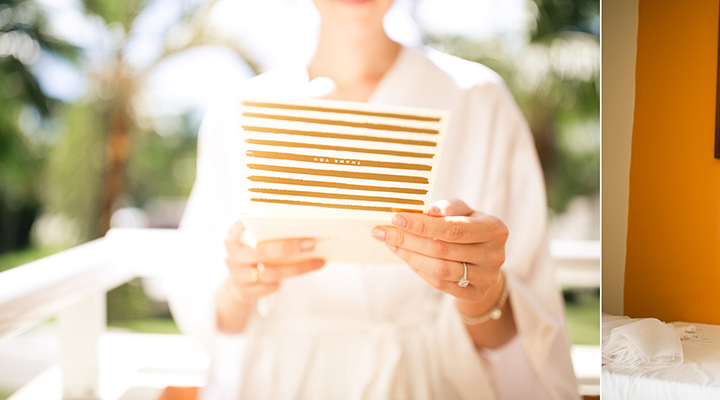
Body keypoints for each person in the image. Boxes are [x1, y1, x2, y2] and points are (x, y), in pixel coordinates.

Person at [164, 0, 578, 399]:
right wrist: (241, 283)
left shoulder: (478, 99)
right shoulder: (238, 114)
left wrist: (477, 285)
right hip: (285, 381)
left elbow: (515, 327)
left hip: (429, 381)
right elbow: (211, 313)